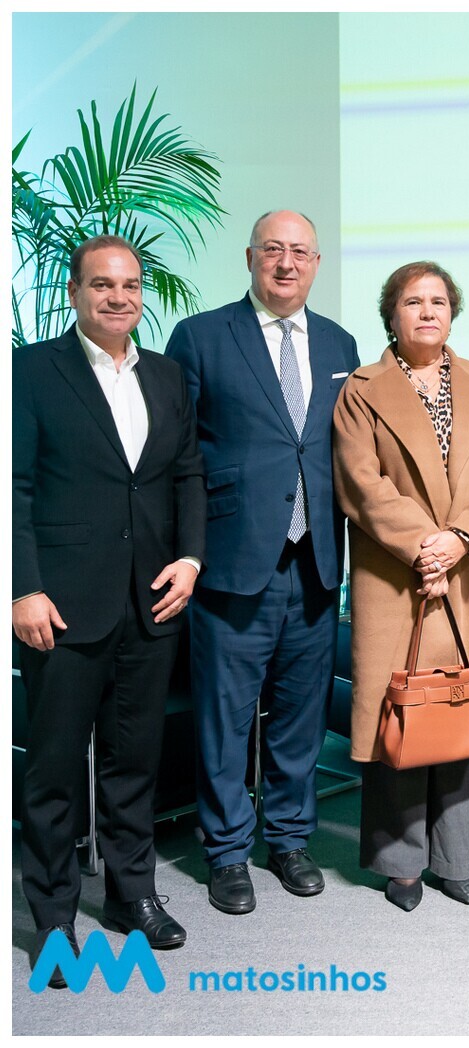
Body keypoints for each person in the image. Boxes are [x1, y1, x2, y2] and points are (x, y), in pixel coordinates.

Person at [13, 235, 206, 986]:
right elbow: (13, 487)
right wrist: (22, 588)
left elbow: (186, 474)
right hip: (60, 606)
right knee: (55, 770)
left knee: (135, 761)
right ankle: (54, 921)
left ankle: (132, 896)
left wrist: (190, 559)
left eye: (129, 285)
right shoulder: (31, 370)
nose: (118, 297)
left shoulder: (167, 374)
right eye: (102, 284)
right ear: (75, 292)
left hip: (151, 600)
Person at [166, 211, 359, 915]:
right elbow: (180, 456)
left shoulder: (339, 342)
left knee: (301, 715)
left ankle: (288, 838)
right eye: (273, 250)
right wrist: (188, 551)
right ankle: (225, 850)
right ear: (250, 257)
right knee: (225, 716)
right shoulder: (200, 336)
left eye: (300, 252)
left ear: (317, 264)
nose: (286, 263)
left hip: (316, 561)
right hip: (232, 560)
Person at [333, 261, 469, 911]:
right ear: (391, 314)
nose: (427, 312)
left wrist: (460, 539)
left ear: (453, 312)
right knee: (400, 715)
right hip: (397, 573)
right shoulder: (361, 389)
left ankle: (456, 858)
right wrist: (424, 545)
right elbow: (360, 481)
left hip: (468, 569)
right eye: (412, 301)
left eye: (438, 301)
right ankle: (401, 861)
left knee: (464, 713)